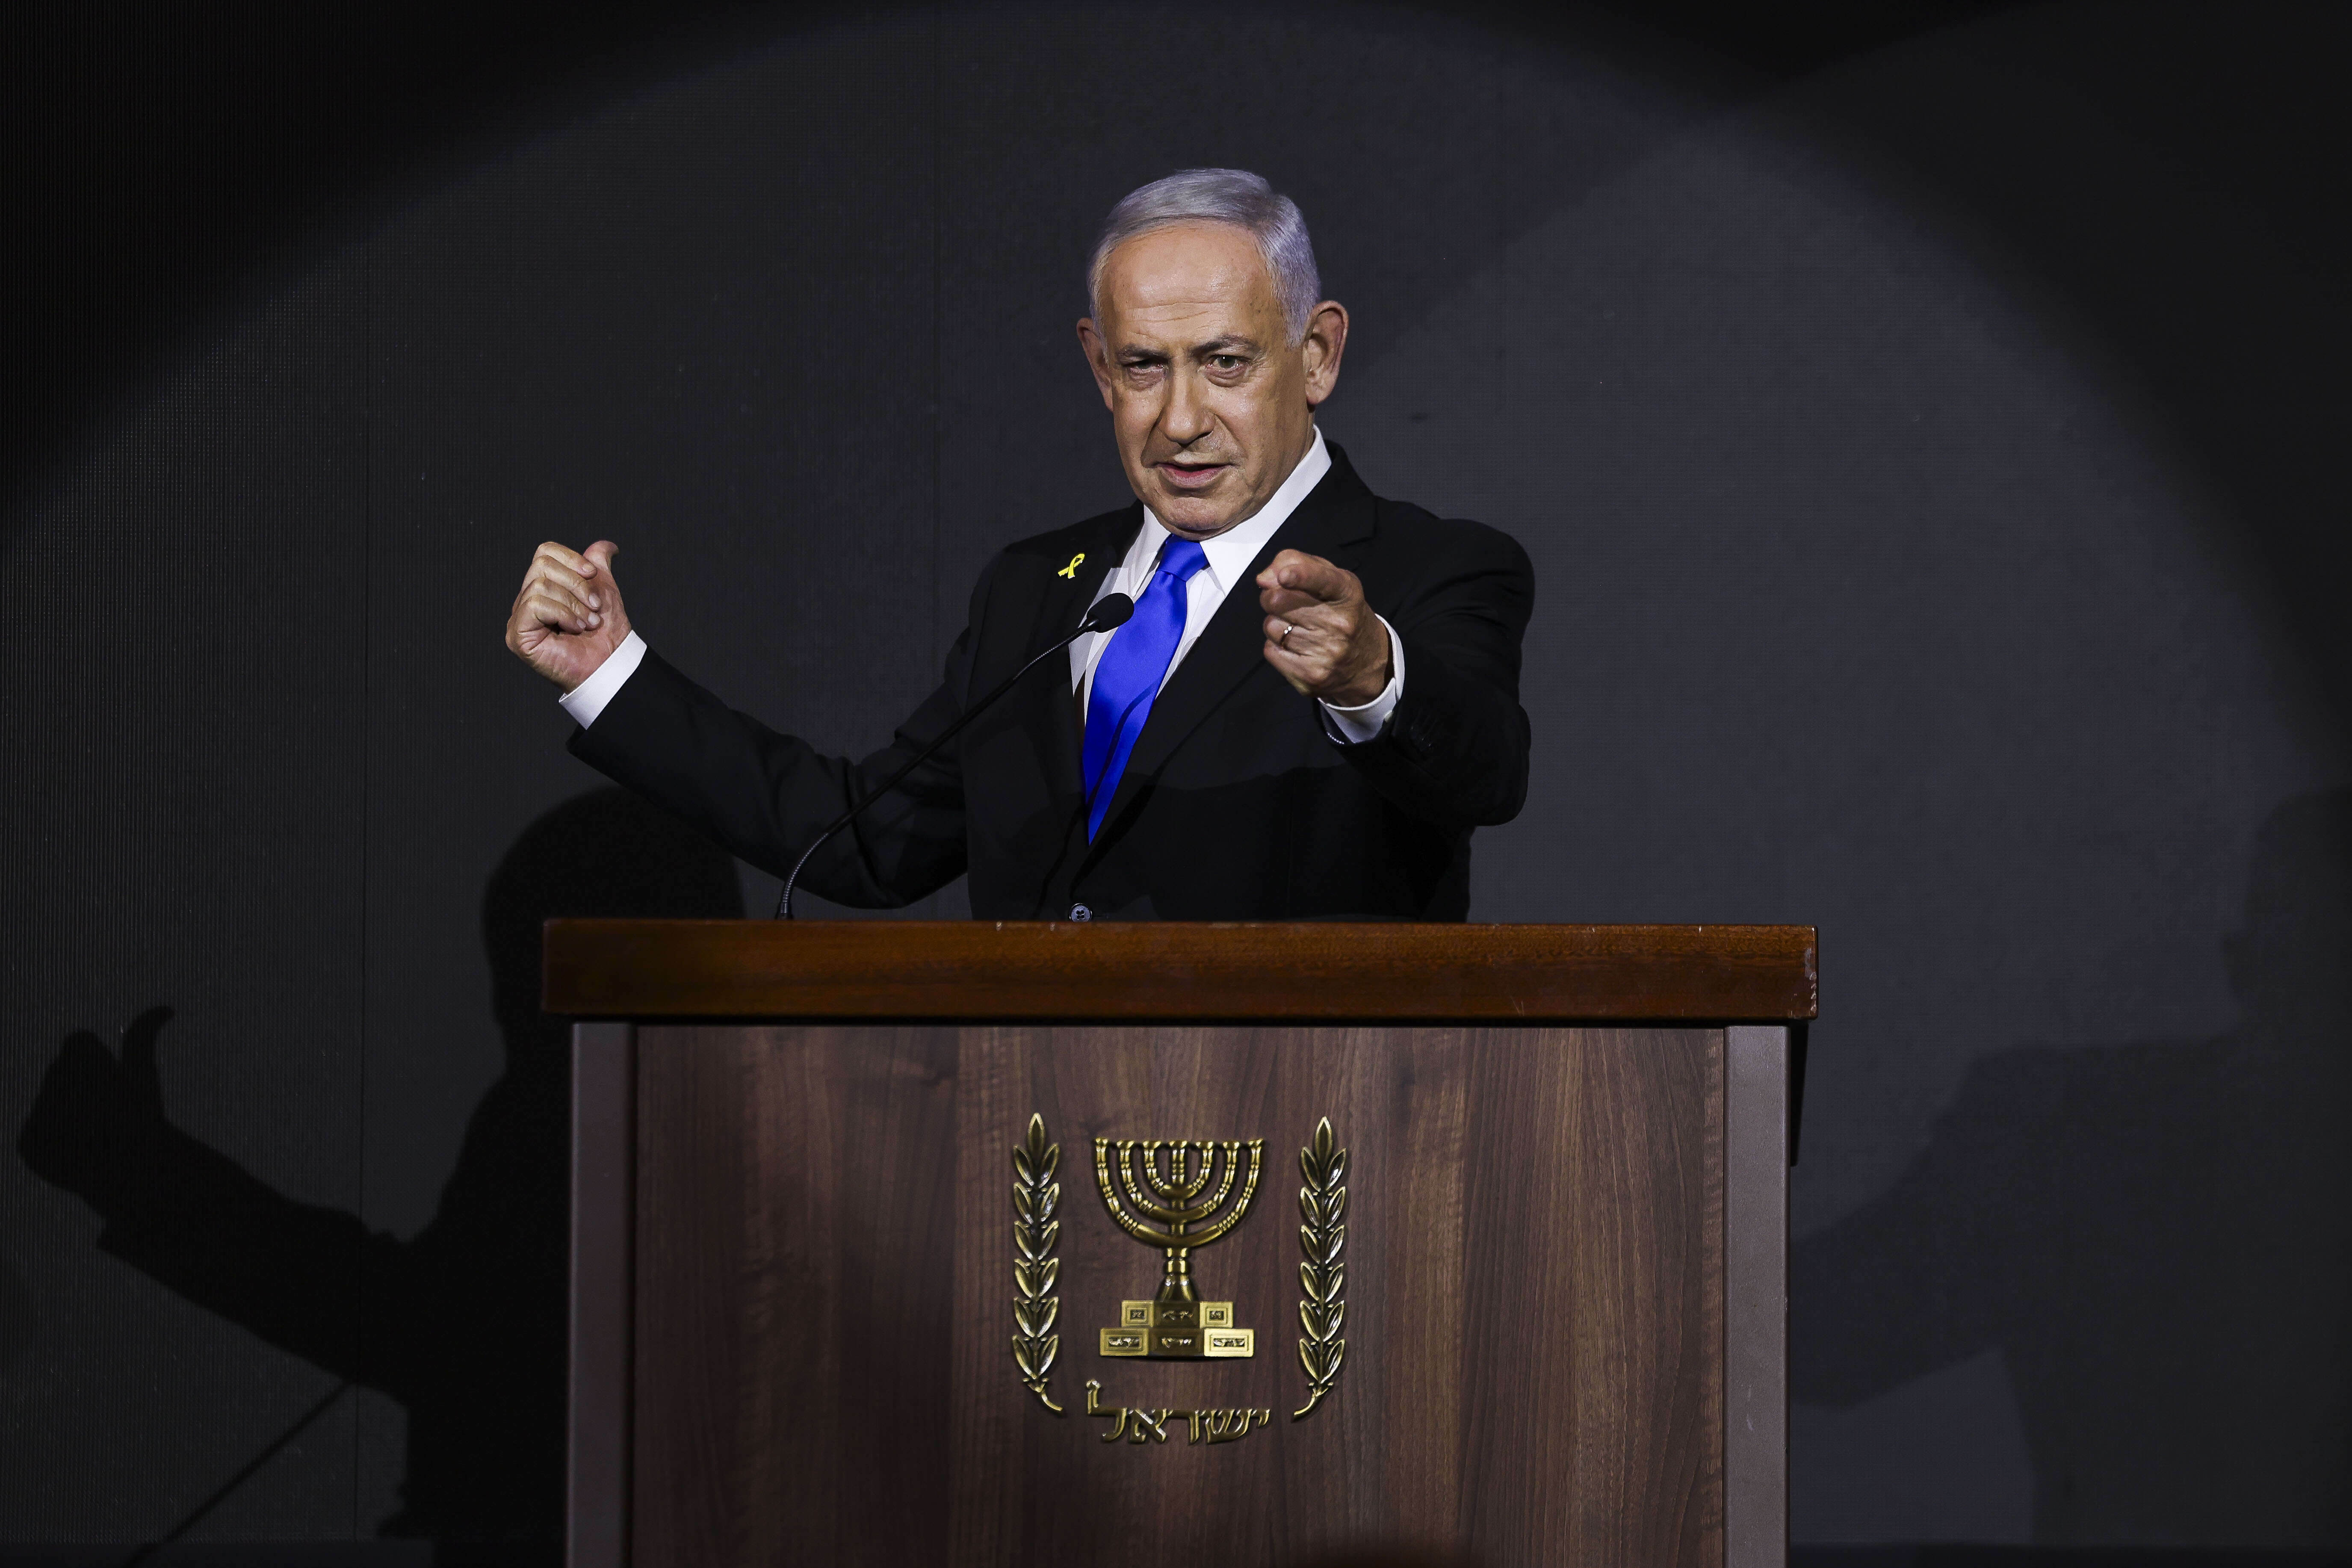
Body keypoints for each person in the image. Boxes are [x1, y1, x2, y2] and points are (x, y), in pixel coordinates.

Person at [504, 168, 1533, 920]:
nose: (1179, 418)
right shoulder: (1038, 590)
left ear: (1316, 356)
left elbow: (1483, 772)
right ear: (1097, 367)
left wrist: (1368, 676)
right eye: (1142, 367)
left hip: (1299, 1146)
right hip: (1034, 1152)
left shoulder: (1428, 570)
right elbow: (870, 841)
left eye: (1224, 363)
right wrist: (612, 676)